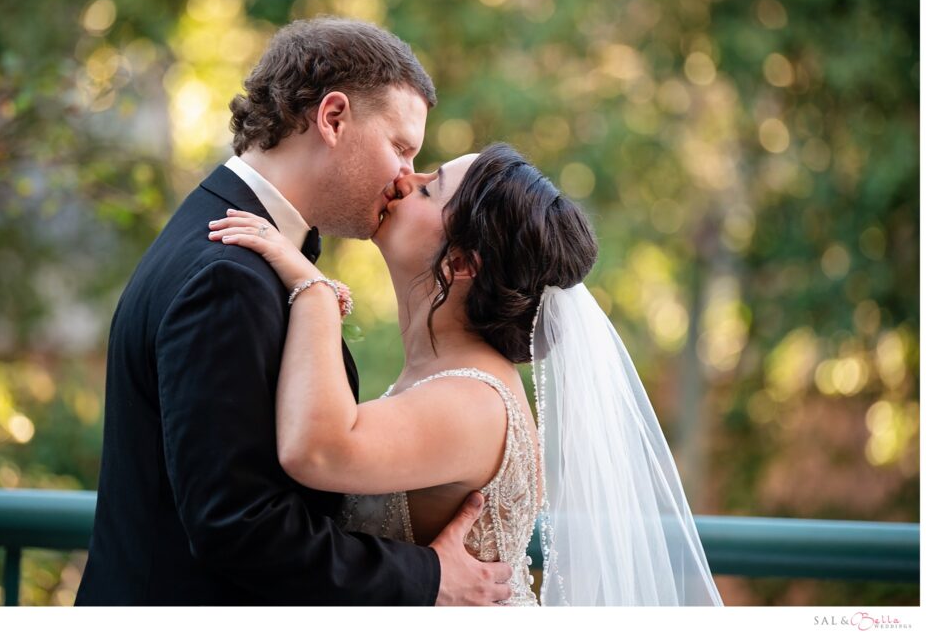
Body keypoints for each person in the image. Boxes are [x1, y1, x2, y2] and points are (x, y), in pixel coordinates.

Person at [76, 17, 513, 605]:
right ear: (333, 118)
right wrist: (426, 578)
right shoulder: (227, 275)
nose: (406, 177)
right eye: (400, 148)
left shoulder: (232, 243)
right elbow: (238, 525)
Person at [209, 142, 725, 606]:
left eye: (428, 189)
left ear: (459, 263)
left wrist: (316, 294)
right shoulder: (450, 379)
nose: (404, 179)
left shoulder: (474, 402)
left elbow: (316, 451)